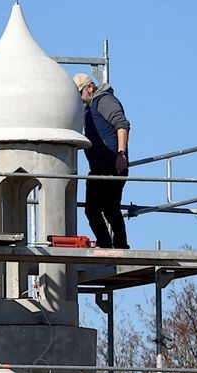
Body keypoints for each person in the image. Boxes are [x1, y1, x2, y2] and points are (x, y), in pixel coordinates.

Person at [75, 73, 132, 249]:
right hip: (98, 168)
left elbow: (122, 125)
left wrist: (121, 154)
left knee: (110, 208)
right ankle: (107, 246)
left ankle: (121, 247)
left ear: (90, 88)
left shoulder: (105, 101)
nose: (78, 98)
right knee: (92, 210)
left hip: (112, 164)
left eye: (79, 93)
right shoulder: (88, 109)